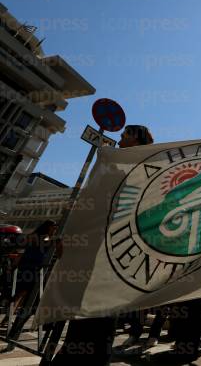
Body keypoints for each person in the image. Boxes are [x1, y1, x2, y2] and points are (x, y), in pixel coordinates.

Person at [49, 125, 154, 366]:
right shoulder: (130, 168)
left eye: (126, 135)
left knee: (97, 311)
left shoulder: (131, 169)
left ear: (136, 140)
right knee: (91, 310)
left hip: (108, 248)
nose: (120, 137)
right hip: (104, 247)